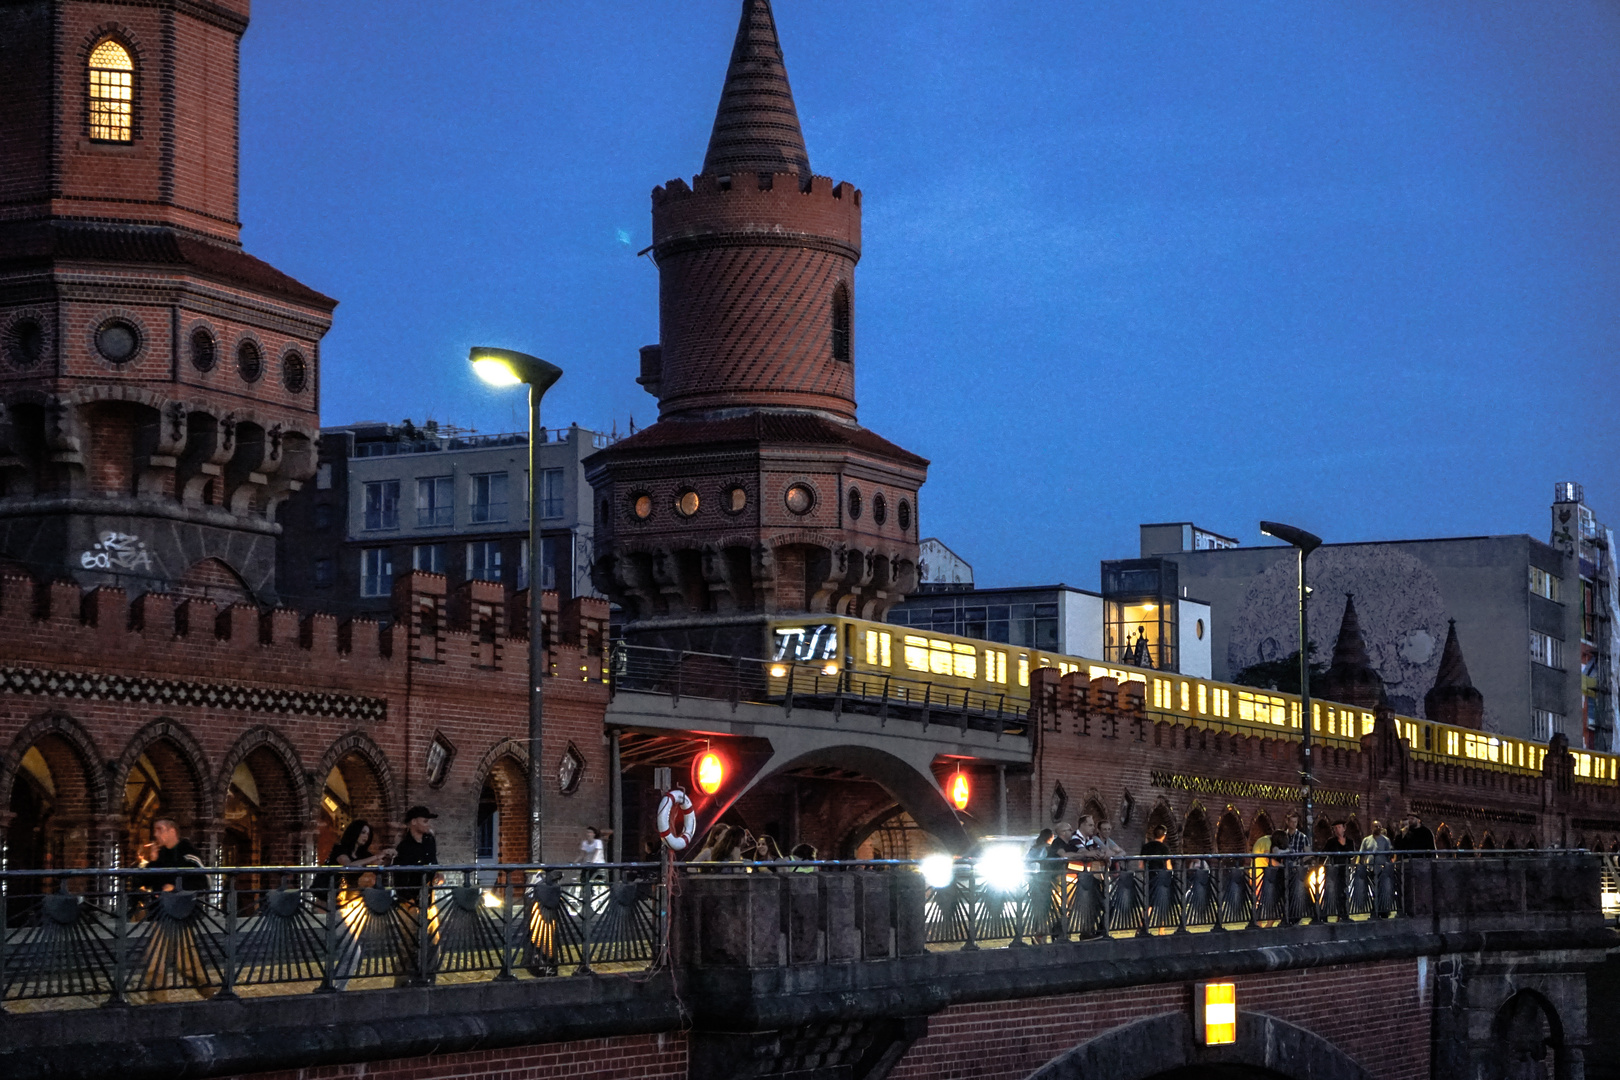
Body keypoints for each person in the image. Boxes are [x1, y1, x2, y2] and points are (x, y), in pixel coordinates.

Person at [314, 819, 393, 899]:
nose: (366, 836)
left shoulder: (363, 854)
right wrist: (376, 856)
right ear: (355, 832)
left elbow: (379, 863)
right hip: (328, 891)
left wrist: (388, 856)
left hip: (348, 894)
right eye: (363, 833)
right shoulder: (340, 849)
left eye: (368, 834)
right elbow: (349, 866)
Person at [143, 818, 208, 893]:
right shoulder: (160, 854)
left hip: (183, 902)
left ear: (172, 832)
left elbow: (202, 883)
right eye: (155, 830)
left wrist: (175, 888)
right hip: (161, 903)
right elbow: (146, 882)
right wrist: (153, 861)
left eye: (159, 830)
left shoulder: (188, 854)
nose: (155, 834)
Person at [393, 805, 439, 902]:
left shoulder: (430, 840)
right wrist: (406, 898)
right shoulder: (404, 845)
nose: (428, 824)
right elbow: (399, 875)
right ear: (414, 822)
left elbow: (433, 859)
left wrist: (437, 873)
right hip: (410, 896)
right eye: (425, 821)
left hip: (427, 893)